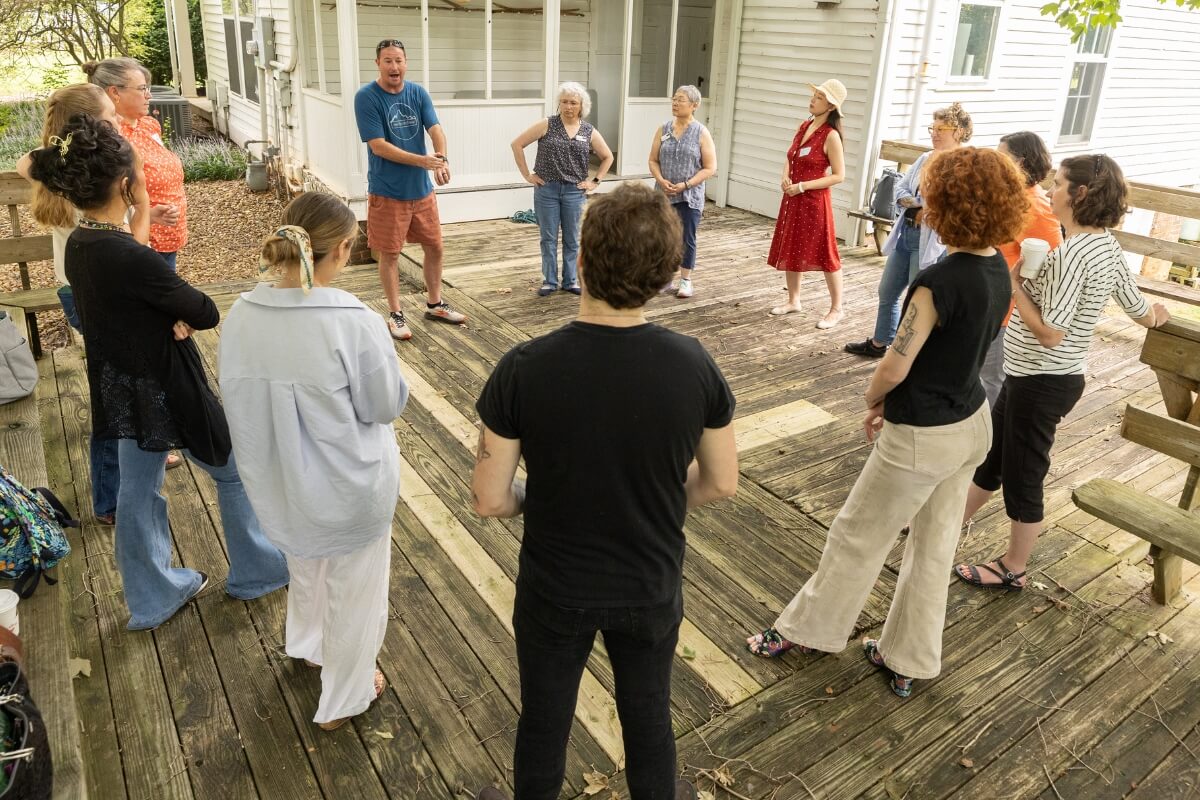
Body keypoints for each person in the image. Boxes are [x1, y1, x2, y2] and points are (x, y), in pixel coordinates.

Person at [470, 183, 738, 800]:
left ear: (582, 261)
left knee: (544, 720)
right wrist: (661, 499)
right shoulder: (694, 365)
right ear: (668, 276)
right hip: (649, 582)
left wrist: (539, 502)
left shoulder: (523, 367)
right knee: (649, 720)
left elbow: (488, 498)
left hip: (556, 587)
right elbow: (722, 480)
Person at [746, 148, 1026, 698]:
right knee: (934, 544)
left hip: (922, 436)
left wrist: (874, 401)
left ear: (945, 204)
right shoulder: (999, 268)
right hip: (972, 424)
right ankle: (909, 659)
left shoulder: (937, 281)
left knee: (858, 534)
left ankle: (806, 631)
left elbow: (896, 363)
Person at [28, 114, 288, 630]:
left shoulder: (82, 244)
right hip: (168, 386)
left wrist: (162, 311)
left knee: (136, 491)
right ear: (126, 184)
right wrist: (173, 312)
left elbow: (130, 301)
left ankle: (151, 598)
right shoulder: (130, 256)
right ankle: (256, 571)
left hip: (121, 387)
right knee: (233, 472)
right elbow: (206, 311)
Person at [219, 192, 408, 730]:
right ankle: (344, 699)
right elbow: (383, 404)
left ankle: (306, 645)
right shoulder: (351, 319)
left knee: (307, 566)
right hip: (350, 486)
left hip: (278, 481)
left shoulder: (242, 314)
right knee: (356, 590)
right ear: (343, 249)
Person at [955, 154, 1170, 591]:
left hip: (1043, 380)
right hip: (1032, 375)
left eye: (1058, 184)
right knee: (994, 457)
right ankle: (951, 521)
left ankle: (1014, 567)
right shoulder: (1106, 245)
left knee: (1023, 473)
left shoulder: (1074, 253)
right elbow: (1138, 308)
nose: (1050, 191)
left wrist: (1015, 285)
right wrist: (1157, 315)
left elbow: (1052, 332)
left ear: (1081, 193)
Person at [14, 83, 158, 527]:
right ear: (87, 125)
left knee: (112, 388)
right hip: (105, 289)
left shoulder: (59, 168)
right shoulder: (92, 174)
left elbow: (26, 162)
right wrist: (146, 210)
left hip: (76, 289)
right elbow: (135, 245)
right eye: (110, 118)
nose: (117, 123)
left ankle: (120, 486)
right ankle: (114, 496)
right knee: (116, 392)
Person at [355, 38, 466, 340]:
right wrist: (424, 161)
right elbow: (379, 147)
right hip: (388, 192)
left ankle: (434, 303)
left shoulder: (417, 93)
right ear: (377, 63)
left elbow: (436, 129)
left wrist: (441, 160)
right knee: (390, 254)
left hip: (422, 192)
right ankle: (395, 314)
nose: (394, 67)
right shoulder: (367, 97)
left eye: (399, 60)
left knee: (436, 247)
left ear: (406, 62)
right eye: (388, 61)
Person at [845, 102, 972, 358]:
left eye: (941, 129)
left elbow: (954, 205)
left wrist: (923, 206)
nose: (934, 134)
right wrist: (917, 204)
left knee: (919, 301)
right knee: (887, 291)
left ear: (958, 131)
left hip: (932, 242)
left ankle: (912, 354)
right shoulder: (926, 158)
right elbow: (900, 188)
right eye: (932, 128)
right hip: (907, 235)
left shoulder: (964, 165)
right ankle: (881, 342)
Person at [978, 131, 1063, 405]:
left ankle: (989, 445)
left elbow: (1053, 266)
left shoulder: (1036, 207)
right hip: (984, 304)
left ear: (1022, 163)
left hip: (1005, 313)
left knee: (991, 383)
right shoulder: (1006, 196)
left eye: (1000, 157)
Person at [511, 82, 614, 296]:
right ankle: (549, 281)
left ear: (581, 106)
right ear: (559, 104)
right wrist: (527, 175)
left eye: (573, 103)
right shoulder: (547, 124)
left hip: (574, 192)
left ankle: (570, 281)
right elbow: (517, 144)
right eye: (564, 102)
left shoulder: (588, 130)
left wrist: (595, 181)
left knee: (572, 238)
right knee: (548, 237)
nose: (568, 106)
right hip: (546, 190)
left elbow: (607, 156)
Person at [84, 58, 185, 270]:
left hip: (168, 237)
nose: (149, 95)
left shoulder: (149, 125)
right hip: (138, 240)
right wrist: (147, 215)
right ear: (115, 93)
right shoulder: (109, 137)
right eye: (142, 89)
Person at [766, 79, 847, 328]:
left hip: (814, 201)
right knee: (792, 245)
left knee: (826, 253)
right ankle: (794, 300)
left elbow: (838, 175)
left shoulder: (830, 135)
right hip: (793, 199)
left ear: (831, 106)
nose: (813, 100)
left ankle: (836, 308)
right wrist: (785, 175)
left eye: (820, 97)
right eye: (815, 95)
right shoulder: (805, 126)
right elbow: (790, 156)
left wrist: (803, 186)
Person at [648, 85, 718, 299]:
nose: (675, 103)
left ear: (694, 105)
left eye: (681, 100)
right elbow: (653, 160)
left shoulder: (701, 132)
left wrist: (687, 184)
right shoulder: (664, 129)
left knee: (687, 238)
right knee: (663, 237)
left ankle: (686, 280)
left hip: (689, 196)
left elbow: (710, 167)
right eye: (674, 99)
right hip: (664, 194)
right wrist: (660, 179)